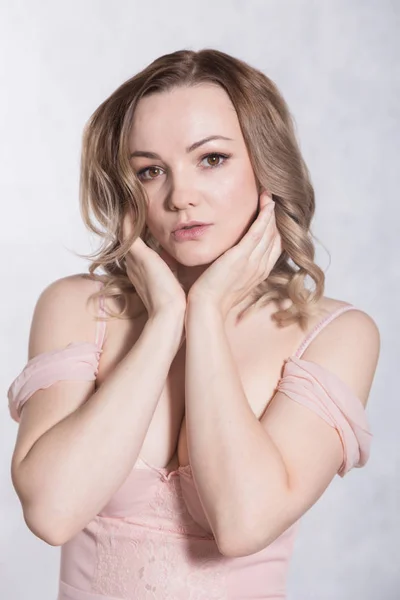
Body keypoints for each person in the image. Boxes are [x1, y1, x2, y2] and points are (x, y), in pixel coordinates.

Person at [7, 48, 380, 600]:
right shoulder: (78, 308)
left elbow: (242, 523)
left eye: (211, 159)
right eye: (151, 170)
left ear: (264, 164)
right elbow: (52, 512)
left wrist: (204, 314)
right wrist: (164, 323)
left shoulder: (334, 334)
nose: (180, 196)